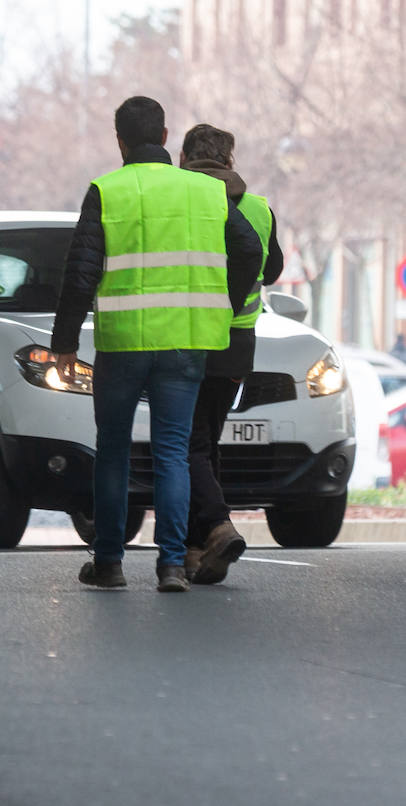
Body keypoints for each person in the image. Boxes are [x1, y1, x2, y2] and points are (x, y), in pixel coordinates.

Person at [51, 96, 263, 592]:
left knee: (114, 451)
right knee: (172, 451)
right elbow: (250, 248)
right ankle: (171, 564)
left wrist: (63, 344)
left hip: (124, 345)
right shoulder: (205, 191)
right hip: (187, 344)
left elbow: (80, 273)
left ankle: (109, 563)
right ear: (167, 137)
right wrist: (224, 306)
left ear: (119, 140)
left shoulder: (108, 190)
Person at [178, 124, 284, 585]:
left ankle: (218, 527)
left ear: (185, 157)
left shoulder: (184, 203)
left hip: (194, 334)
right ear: (229, 158)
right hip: (239, 342)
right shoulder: (259, 208)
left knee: (186, 443)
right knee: (205, 442)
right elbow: (274, 268)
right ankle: (199, 547)